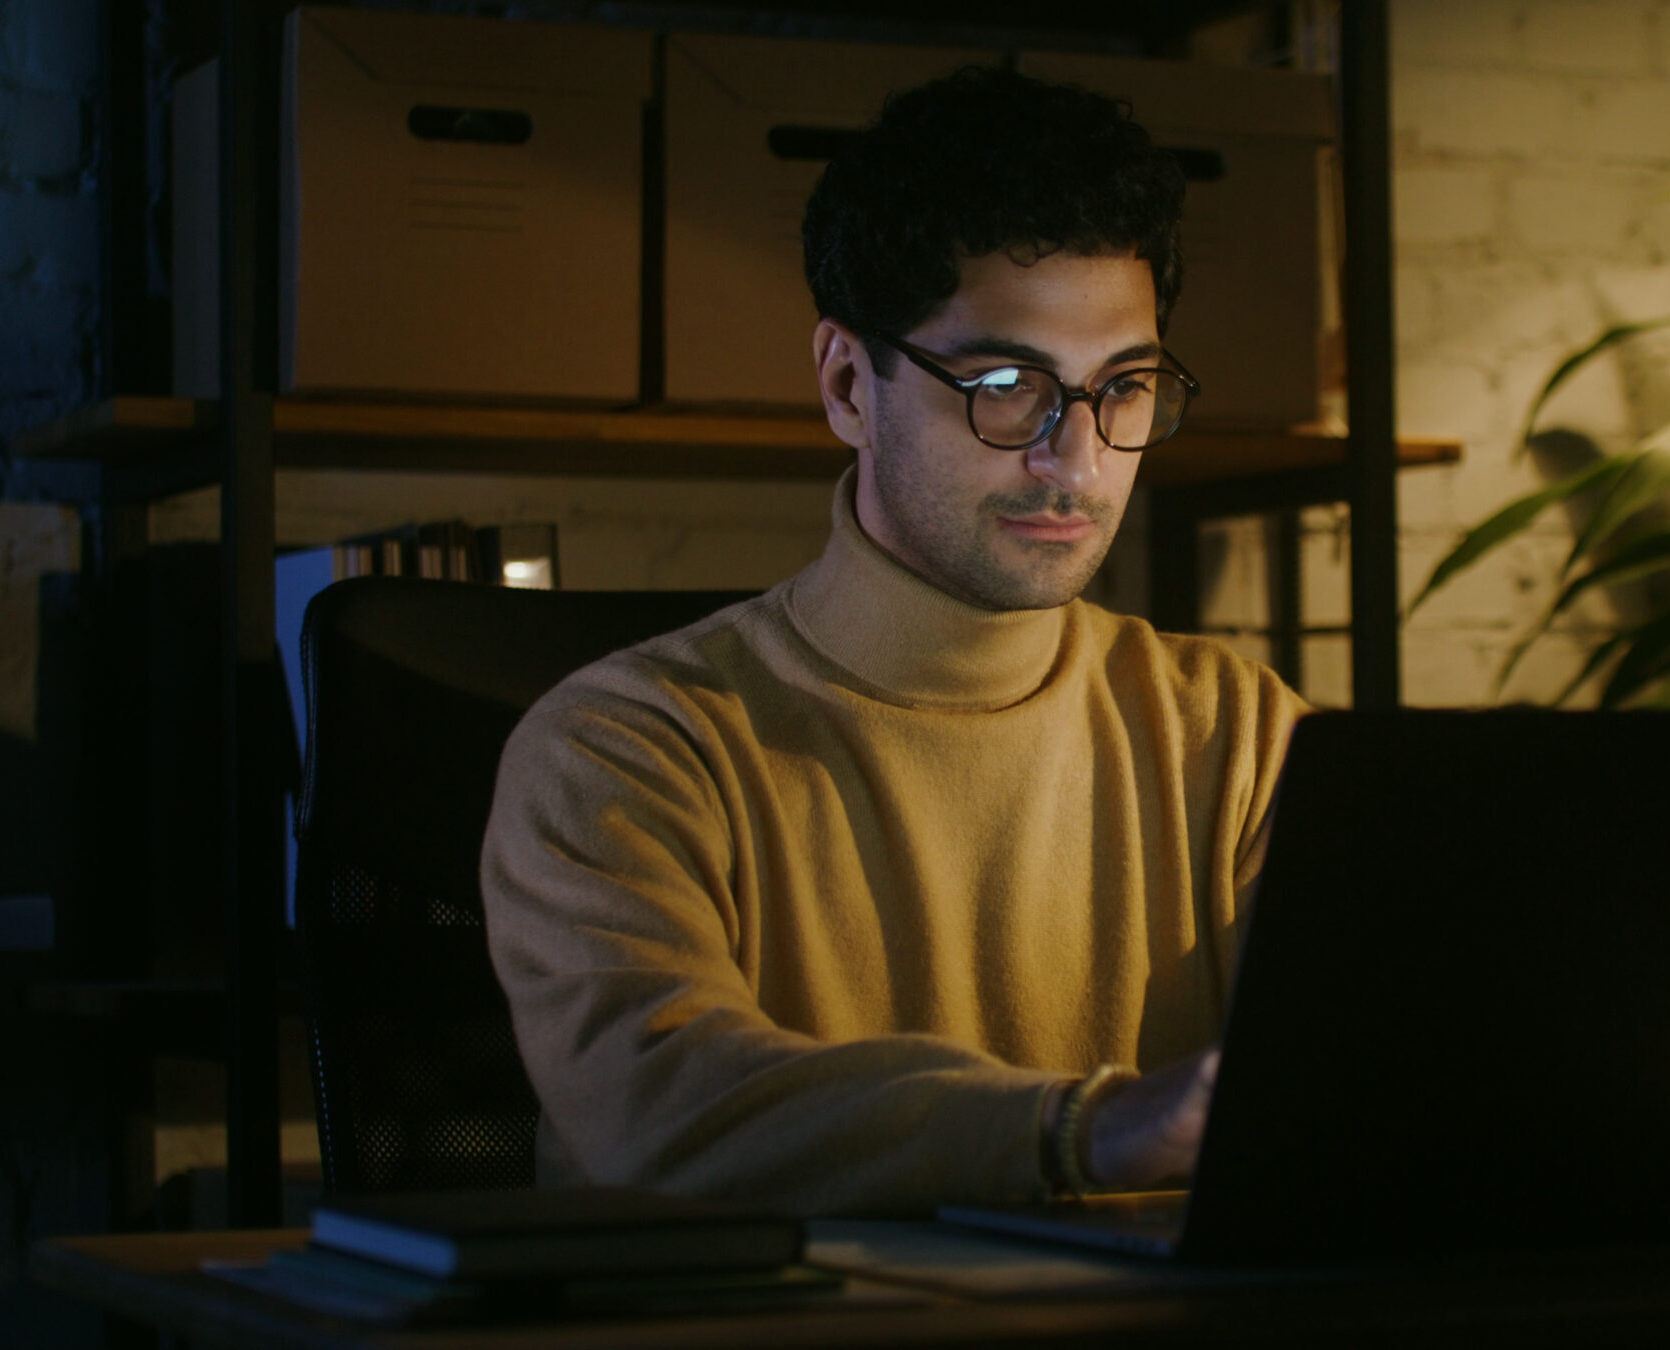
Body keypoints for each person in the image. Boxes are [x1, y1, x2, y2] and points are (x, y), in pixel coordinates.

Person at [480, 66, 1308, 1217]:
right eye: (1007, 385)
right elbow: (660, 1110)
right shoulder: (626, 748)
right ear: (845, 384)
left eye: (1122, 387)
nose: (1075, 462)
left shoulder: (1240, 733)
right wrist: (1082, 1129)